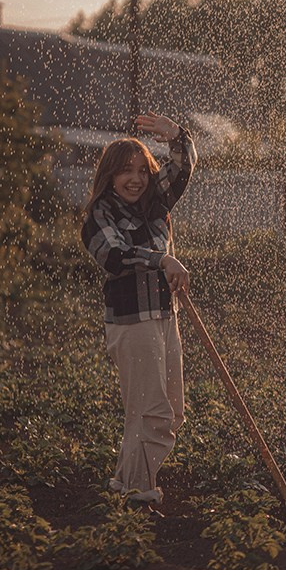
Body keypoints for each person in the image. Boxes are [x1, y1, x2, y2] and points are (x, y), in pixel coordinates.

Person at [81, 113, 196, 506]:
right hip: (132, 325)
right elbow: (114, 256)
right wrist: (162, 260)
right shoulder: (100, 215)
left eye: (141, 170)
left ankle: (123, 482)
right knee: (150, 413)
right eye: (124, 171)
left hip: (164, 318)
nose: (135, 179)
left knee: (171, 410)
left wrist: (176, 135)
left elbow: (181, 168)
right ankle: (138, 496)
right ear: (109, 176)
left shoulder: (154, 203)